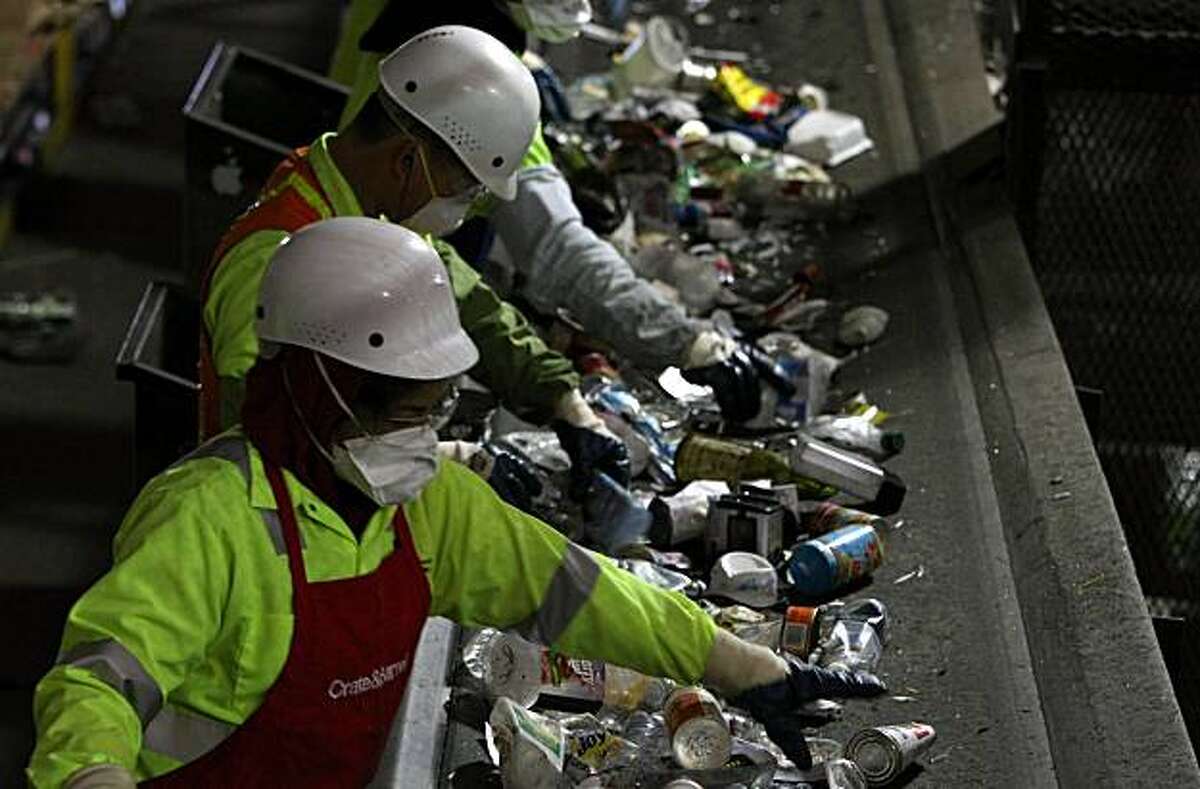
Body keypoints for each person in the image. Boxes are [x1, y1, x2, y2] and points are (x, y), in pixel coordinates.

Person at [28, 219, 884, 787]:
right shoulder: (207, 515)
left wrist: (743, 666)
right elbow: (95, 684)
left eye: (432, 409)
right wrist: (94, 775)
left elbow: (579, 591)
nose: (423, 436)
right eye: (406, 413)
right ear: (325, 394)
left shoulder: (427, 508)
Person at [203, 25, 627, 504]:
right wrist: (446, 459)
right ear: (406, 158)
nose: (465, 208)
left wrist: (564, 401)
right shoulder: (277, 255)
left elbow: (472, 307)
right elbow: (261, 428)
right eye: (466, 189)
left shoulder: (376, 214)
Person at [329, 1, 794, 424]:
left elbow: (446, 280)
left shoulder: (418, 41)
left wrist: (555, 391)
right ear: (407, 158)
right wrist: (688, 343)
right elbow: (557, 251)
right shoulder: (469, 105)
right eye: (468, 190)